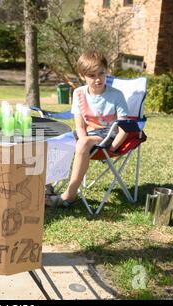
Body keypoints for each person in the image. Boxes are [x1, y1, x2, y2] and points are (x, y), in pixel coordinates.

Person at [46, 51, 129, 208]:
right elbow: (79, 124)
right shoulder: (79, 93)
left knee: (83, 143)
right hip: (86, 134)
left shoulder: (117, 95)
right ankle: (47, 183)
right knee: (56, 141)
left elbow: (124, 127)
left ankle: (69, 195)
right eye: (92, 75)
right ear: (82, 75)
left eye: (101, 73)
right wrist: (81, 139)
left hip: (106, 136)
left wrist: (112, 148)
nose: (98, 79)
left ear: (106, 71)